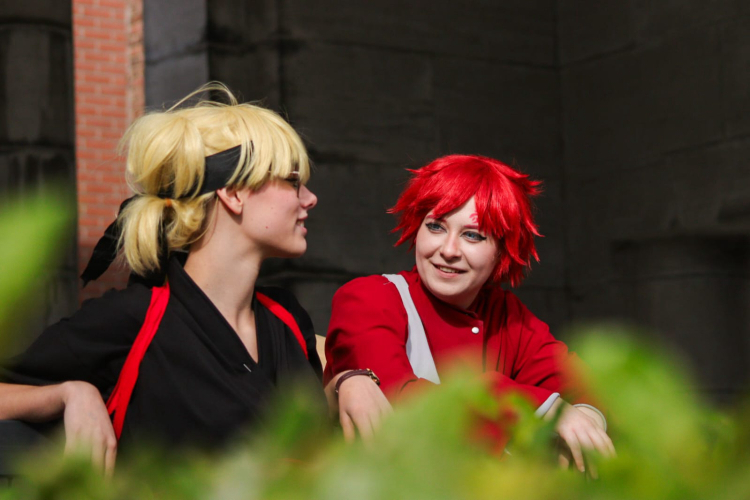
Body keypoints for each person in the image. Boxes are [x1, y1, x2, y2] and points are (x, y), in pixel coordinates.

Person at [0, 83, 322, 475]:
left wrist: (354, 379)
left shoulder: (289, 319)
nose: (309, 198)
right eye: (292, 180)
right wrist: (70, 393)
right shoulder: (134, 318)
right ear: (234, 193)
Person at [324, 154, 614, 470]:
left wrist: (584, 421)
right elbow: (397, 400)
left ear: (502, 250)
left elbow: (586, 388)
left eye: (472, 235)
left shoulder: (507, 314)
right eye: (435, 226)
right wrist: (541, 407)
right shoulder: (370, 297)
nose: (448, 250)